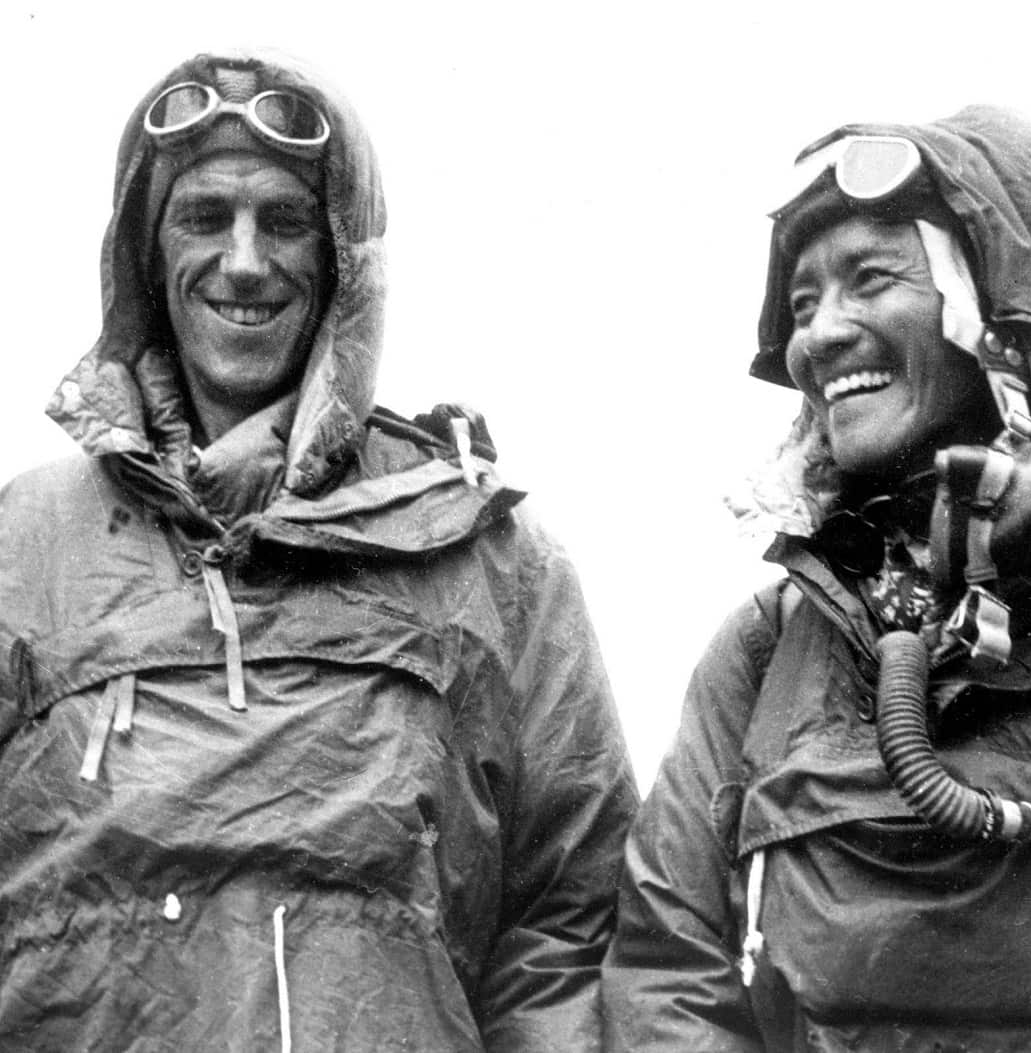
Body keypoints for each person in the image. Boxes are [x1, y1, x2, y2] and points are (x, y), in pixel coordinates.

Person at [603, 106, 1031, 1050]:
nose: (820, 336)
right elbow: (669, 968)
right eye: (801, 305)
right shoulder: (765, 650)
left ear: (1007, 322)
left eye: (870, 279)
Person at [0, 49, 637, 1052]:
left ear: (345, 258)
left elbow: (572, 919)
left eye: (284, 221)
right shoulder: (19, 545)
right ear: (143, 253)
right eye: (204, 217)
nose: (244, 261)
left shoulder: (493, 561)